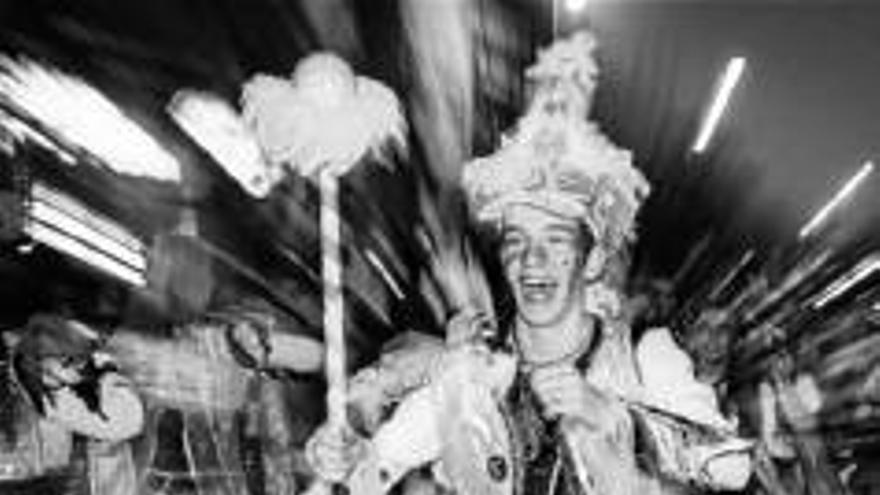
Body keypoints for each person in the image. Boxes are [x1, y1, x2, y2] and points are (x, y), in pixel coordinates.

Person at [305, 31, 752, 495]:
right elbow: (382, 462)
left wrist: (612, 416)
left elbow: (729, 464)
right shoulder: (473, 372)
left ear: (593, 259)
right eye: (516, 241)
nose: (532, 260)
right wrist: (351, 457)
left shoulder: (645, 355)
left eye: (556, 242)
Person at [0, 314, 145, 495]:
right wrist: (108, 372)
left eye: (82, 359)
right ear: (43, 363)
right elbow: (129, 423)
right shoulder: (55, 401)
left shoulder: (40, 375)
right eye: (69, 361)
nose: (78, 369)